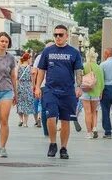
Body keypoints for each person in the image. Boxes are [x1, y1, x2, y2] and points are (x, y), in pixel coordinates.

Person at [34, 25, 84, 160]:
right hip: (50, 90)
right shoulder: (47, 51)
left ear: (66, 36)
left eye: (61, 35)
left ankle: (63, 148)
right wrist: (37, 87)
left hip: (67, 91)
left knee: (65, 120)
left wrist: (79, 87)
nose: (58, 37)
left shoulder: (74, 52)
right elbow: (41, 70)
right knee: (51, 117)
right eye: (55, 35)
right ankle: (52, 143)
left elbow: (78, 71)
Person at [81, 52, 104, 139]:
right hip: (95, 92)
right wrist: (101, 92)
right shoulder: (99, 67)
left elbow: (79, 78)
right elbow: (102, 82)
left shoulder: (83, 66)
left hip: (85, 91)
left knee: (87, 112)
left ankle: (89, 133)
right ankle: (94, 127)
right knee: (94, 112)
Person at [16, 52, 35, 127]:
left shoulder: (19, 67)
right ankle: (25, 122)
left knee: (20, 103)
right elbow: (32, 79)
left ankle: (20, 119)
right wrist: (33, 87)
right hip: (27, 86)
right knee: (27, 104)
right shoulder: (30, 68)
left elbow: (16, 78)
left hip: (20, 86)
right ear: (28, 59)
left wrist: (16, 87)